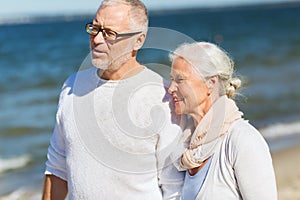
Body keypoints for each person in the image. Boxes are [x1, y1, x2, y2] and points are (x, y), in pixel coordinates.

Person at [42, 0, 185, 199]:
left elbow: (174, 186)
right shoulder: (71, 86)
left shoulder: (163, 96)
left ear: (138, 40)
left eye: (109, 33)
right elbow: (57, 168)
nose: (97, 39)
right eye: (95, 29)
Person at [168, 42, 277, 200]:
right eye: (172, 79)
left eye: (180, 79)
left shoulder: (242, 139)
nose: (171, 88)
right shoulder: (186, 147)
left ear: (210, 83)